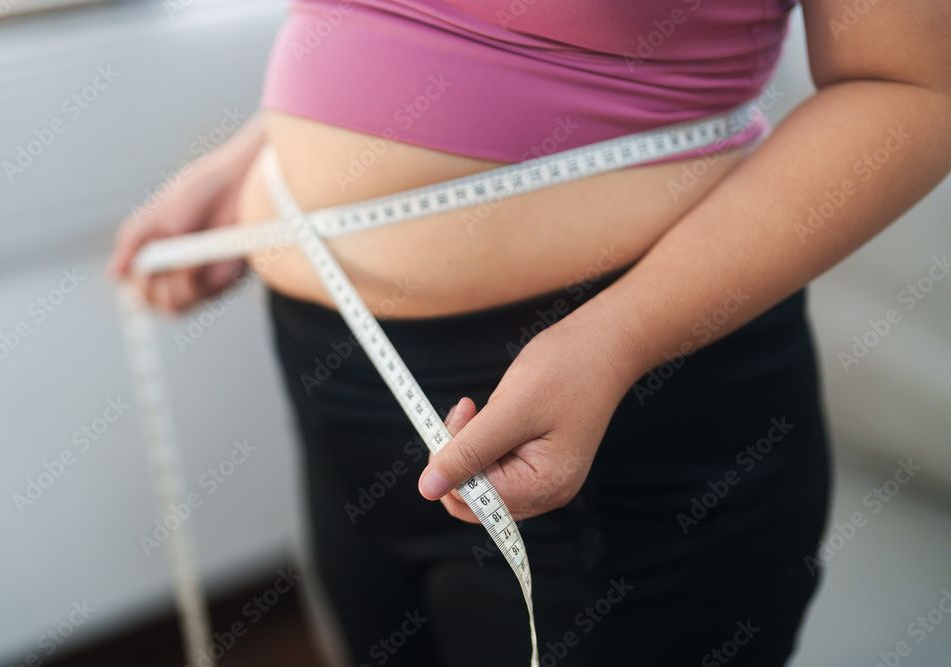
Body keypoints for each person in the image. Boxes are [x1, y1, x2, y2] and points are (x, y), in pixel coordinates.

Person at [109, 1, 951, 665]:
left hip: (628, 405)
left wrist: (617, 339)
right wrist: (262, 159)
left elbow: (916, 83)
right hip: (330, 376)